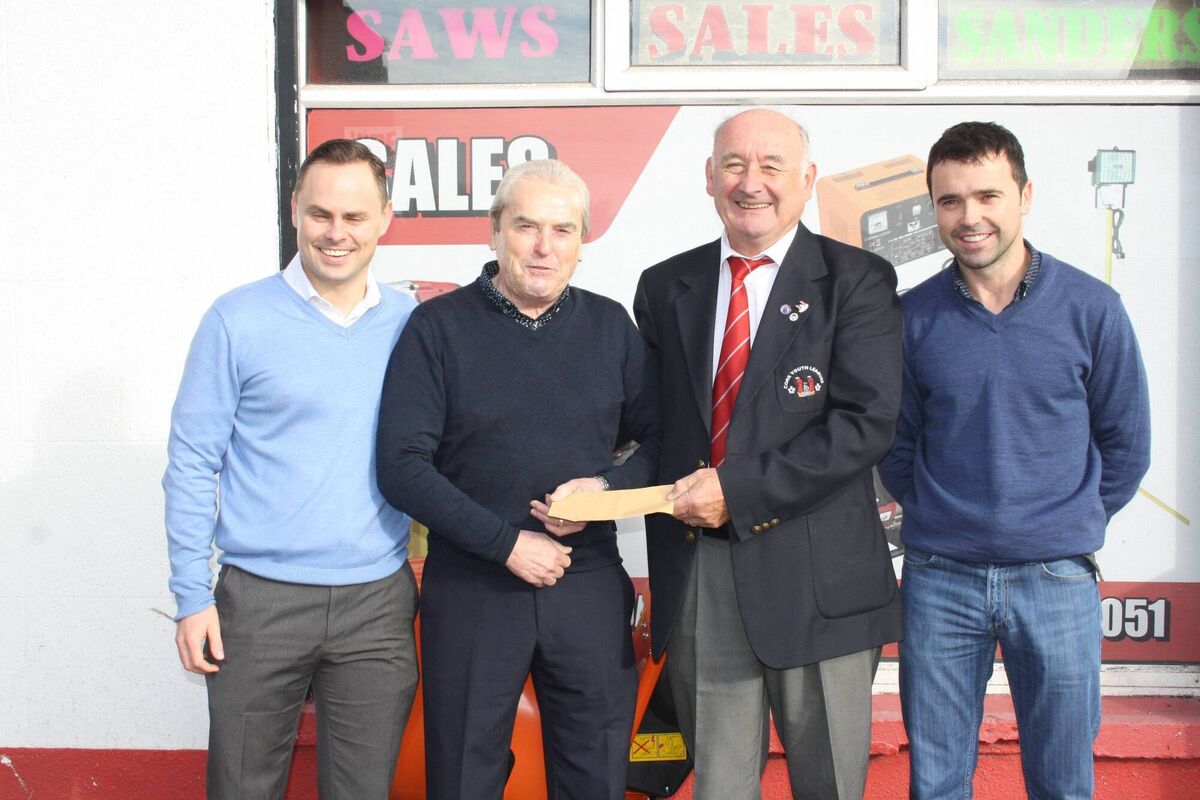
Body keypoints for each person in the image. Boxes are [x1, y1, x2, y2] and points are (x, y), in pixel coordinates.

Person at [633, 108, 904, 799]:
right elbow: (653, 430)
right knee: (720, 787)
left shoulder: (857, 281)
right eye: (734, 165)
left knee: (829, 785)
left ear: (807, 180)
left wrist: (736, 489)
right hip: (703, 579)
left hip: (822, 584)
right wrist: (597, 485)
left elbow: (864, 424)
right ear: (709, 177)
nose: (751, 183)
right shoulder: (665, 287)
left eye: (771, 166)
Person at [878, 121, 1151, 799]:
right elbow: (896, 447)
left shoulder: (1093, 309)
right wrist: (948, 517)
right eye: (950, 201)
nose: (969, 217)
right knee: (937, 783)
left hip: (1055, 579)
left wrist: (1061, 522)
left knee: (1062, 783)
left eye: (987, 196)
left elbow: (1126, 445)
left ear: (1025, 195)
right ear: (934, 208)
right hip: (941, 579)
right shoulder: (911, 318)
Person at [375, 158, 660, 800]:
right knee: (462, 777)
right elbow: (402, 466)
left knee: (596, 777)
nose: (543, 247)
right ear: (494, 230)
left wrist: (605, 492)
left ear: (583, 242)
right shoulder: (437, 328)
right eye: (526, 226)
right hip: (472, 585)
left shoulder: (611, 327)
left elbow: (663, 443)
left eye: (562, 230)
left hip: (587, 584)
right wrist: (506, 545)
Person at [164, 139, 419, 799]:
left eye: (354, 216)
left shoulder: (412, 325)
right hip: (259, 603)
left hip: (377, 604)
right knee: (242, 788)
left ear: (385, 219)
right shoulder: (236, 319)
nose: (336, 233)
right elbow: (192, 462)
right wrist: (192, 597)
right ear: (295, 210)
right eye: (320, 214)